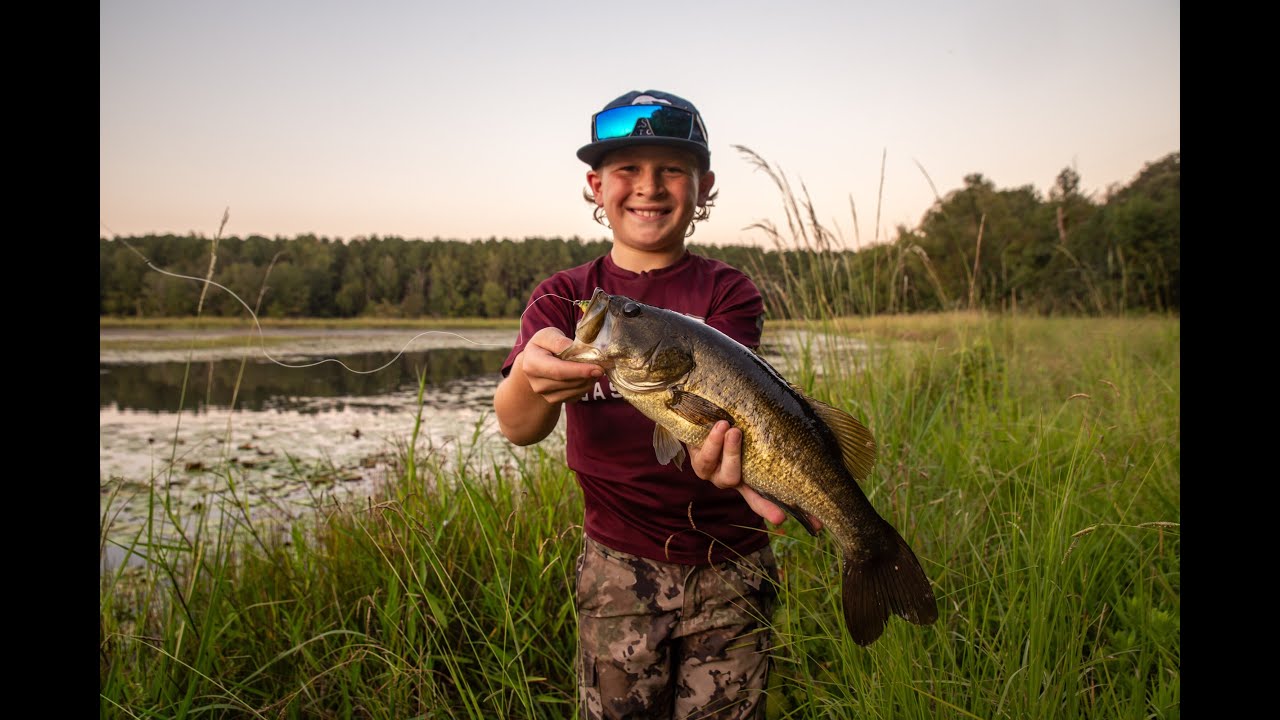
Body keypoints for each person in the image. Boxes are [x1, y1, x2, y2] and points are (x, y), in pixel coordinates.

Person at [494, 90, 799, 719]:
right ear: (596, 186)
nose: (648, 188)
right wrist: (530, 372)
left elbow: (719, 418)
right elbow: (519, 427)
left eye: (671, 170)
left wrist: (717, 451)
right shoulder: (566, 298)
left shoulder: (728, 291)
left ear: (702, 186)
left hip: (732, 563)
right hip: (616, 569)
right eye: (627, 169)